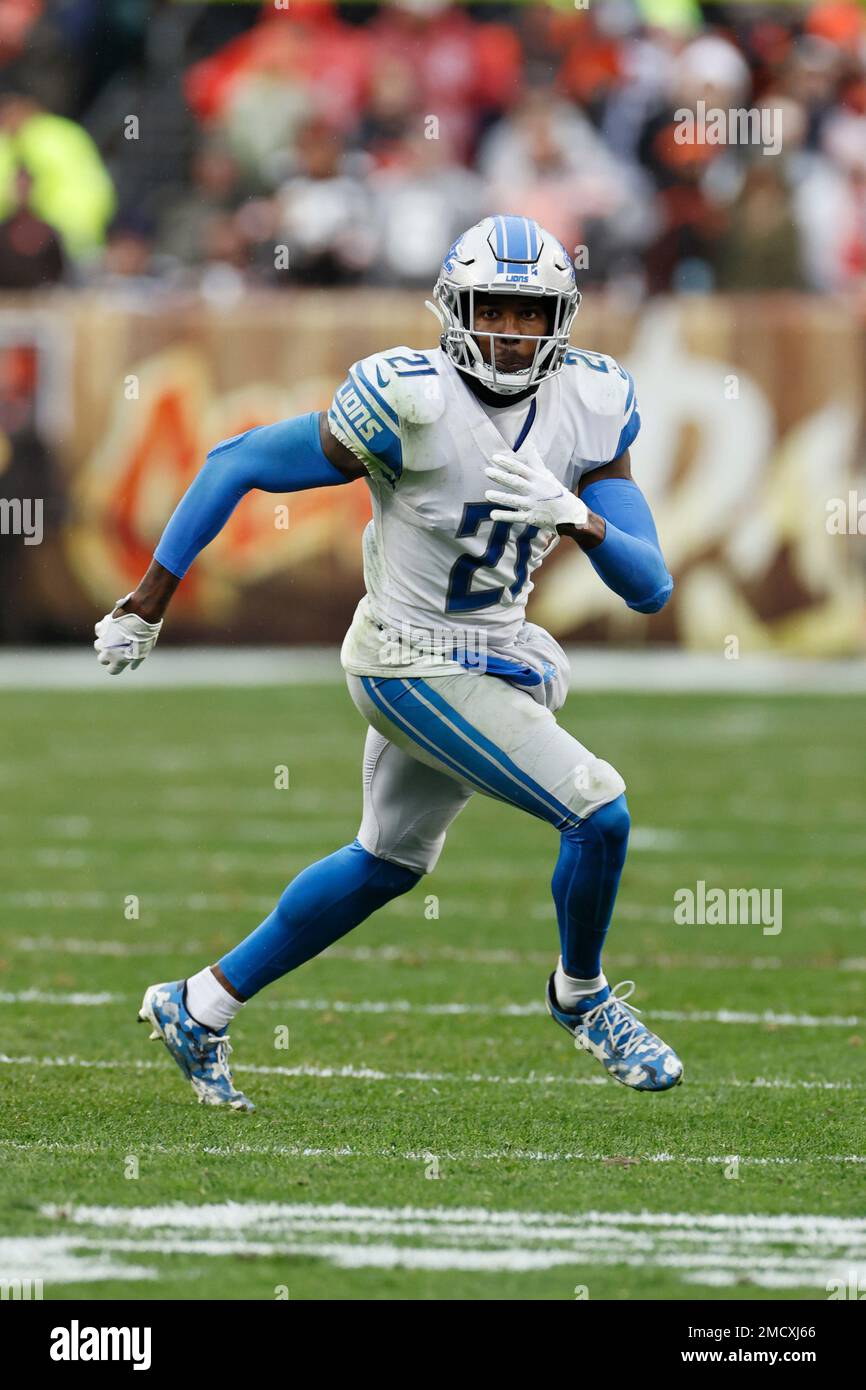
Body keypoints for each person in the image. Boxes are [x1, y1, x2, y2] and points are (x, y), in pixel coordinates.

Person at [94, 215, 682, 1111]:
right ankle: (584, 997)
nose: (512, 333)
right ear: (455, 310)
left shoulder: (591, 403)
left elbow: (650, 589)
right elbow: (236, 460)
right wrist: (151, 597)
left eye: (531, 314)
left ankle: (199, 1004)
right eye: (494, 310)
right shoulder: (409, 400)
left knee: (387, 861)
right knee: (598, 811)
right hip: (405, 656)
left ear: (561, 319)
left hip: (491, 648)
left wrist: (580, 515)